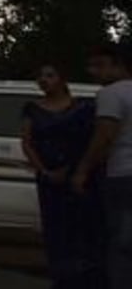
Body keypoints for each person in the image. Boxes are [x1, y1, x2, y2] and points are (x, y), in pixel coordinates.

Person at [23, 63, 104, 289]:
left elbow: (92, 140)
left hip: (80, 176)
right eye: (40, 76)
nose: (44, 80)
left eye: (49, 75)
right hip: (50, 180)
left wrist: (79, 169)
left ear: (62, 79)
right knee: (56, 230)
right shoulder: (32, 109)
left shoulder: (82, 108)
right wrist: (45, 171)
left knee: (84, 227)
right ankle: (62, 278)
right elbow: (27, 143)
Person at [76, 44, 132, 289]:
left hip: (122, 174)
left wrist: (83, 170)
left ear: (118, 65)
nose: (93, 71)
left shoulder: (110, 94)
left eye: (99, 65)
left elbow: (104, 136)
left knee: (120, 241)